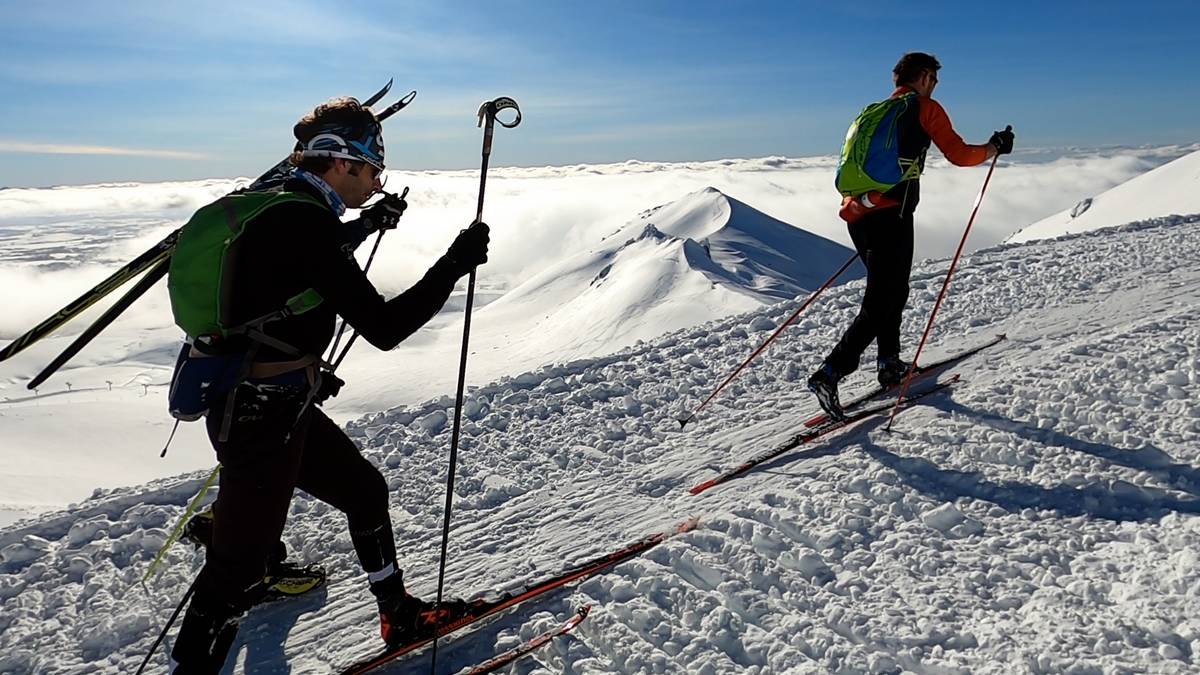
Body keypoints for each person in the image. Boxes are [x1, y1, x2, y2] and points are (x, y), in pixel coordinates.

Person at [168, 96, 490, 673]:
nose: (375, 182)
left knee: (365, 491)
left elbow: (303, 264)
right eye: (372, 171)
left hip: (269, 400)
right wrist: (454, 263)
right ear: (341, 161)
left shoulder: (281, 206)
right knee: (232, 575)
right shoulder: (304, 220)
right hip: (261, 414)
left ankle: (399, 615)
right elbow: (385, 328)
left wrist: (367, 223)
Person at [807, 52, 1014, 420]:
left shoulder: (873, 111)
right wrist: (993, 147)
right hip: (893, 213)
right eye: (934, 78)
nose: (935, 85)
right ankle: (830, 372)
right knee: (882, 298)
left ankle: (889, 364)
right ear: (924, 77)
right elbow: (960, 154)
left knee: (893, 290)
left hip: (858, 212)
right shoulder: (923, 107)